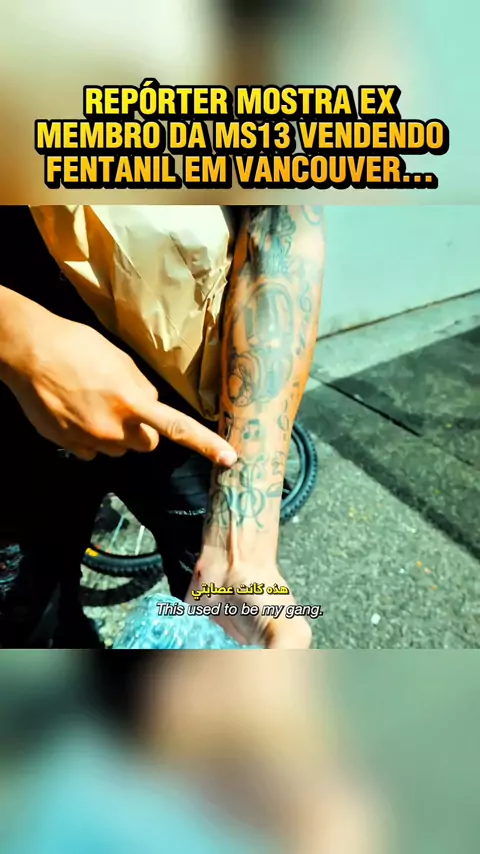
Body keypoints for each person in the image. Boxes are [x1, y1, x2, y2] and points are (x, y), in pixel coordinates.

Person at [0, 205, 324, 649]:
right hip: (10, 390)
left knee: (213, 613)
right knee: (23, 615)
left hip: (185, 372)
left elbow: (281, 220)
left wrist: (241, 549)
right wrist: (16, 338)